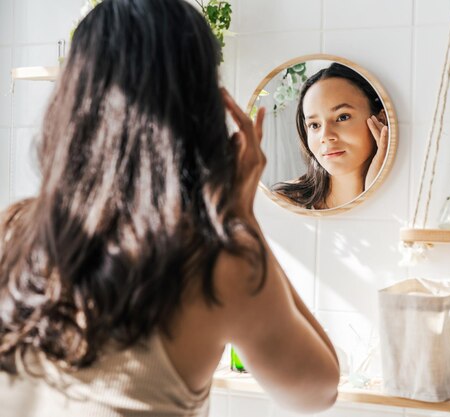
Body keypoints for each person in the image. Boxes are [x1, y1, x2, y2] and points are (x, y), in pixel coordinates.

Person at [0, 0, 340, 416]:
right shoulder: (215, 265)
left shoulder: (13, 230)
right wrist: (241, 218)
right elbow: (318, 393)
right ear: (201, 109)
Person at [272, 63, 389, 210]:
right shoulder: (283, 204)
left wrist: (375, 191)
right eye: (314, 125)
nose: (326, 136)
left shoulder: (407, 196)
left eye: (342, 117)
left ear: (381, 120)